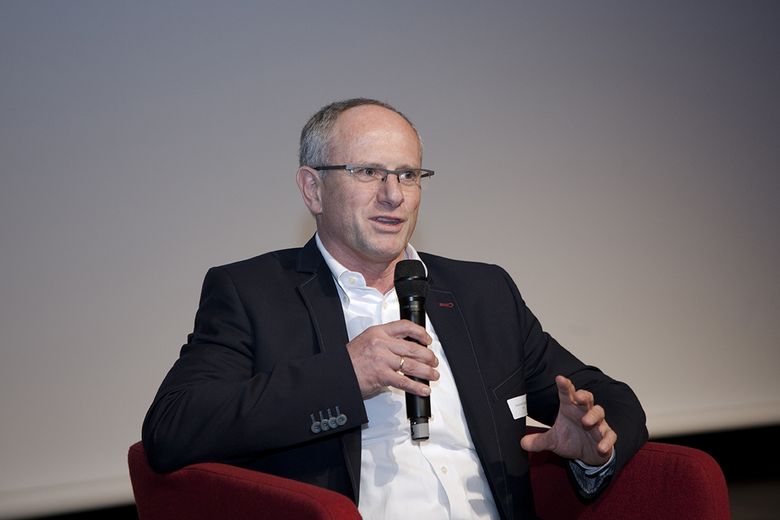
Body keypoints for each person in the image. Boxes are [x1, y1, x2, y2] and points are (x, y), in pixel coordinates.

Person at [142, 98, 647, 519]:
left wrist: (594, 450)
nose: (393, 195)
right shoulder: (252, 294)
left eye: (407, 174)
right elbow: (172, 429)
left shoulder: (481, 291)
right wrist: (345, 374)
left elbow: (609, 399)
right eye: (368, 172)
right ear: (313, 189)